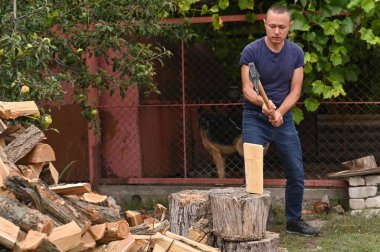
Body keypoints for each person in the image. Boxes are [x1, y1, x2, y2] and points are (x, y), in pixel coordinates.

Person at [239, 5, 320, 236]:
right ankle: (254, 223)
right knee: (252, 172)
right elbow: (247, 88)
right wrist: (263, 105)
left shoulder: (296, 53)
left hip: (282, 118)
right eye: (272, 26)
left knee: (296, 170)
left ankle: (294, 221)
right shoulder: (251, 51)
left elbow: (295, 91)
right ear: (265, 23)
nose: (276, 31)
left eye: (281, 27)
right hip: (255, 116)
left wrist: (280, 112)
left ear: (289, 27)